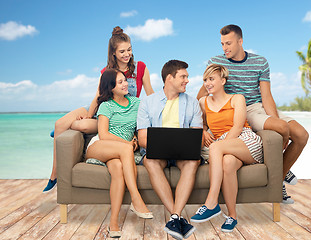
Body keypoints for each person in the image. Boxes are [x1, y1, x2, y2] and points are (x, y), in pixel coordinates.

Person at [197, 24, 309, 204]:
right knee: (281, 127)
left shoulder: (260, 62)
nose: (225, 48)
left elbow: (266, 96)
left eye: (228, 43)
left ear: (240, 41)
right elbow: (202, 97)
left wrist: (275, 119)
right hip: (238, 109)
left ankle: (279, 173)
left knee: (302, 135)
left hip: (258, 107)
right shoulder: (216, 62)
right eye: (222, 44)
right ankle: (278, 176)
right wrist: (203, 126)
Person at [43, 26, 154, 192]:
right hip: (104, 107)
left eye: (129, 50)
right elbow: (98, 96)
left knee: (81, 126)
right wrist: (89, 115)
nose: (126, 54)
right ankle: (54, 174)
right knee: (59, 124)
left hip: (123, 114)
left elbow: (150, 94)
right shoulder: (106, 71)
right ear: (113, 53)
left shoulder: (141, 68)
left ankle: (70, 126)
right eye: (122, 51)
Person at [190, 64, 263, 232]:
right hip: (224, 147)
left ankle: (211, 202)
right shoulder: (203, 102)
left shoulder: (237, 98)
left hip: (244, 139)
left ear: (223, 81)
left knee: (216, 148)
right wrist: (203, 131)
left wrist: (222, 146)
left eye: (211, 79)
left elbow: (237, 127)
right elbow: (197, 123)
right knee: (228, 163)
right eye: (205, 80)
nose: (207, 83)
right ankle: (232, 216)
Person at [137, 60, 203, 240]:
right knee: (150, 160)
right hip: (156, 152)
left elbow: (197, 136)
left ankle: (174, 217)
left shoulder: (192, 103)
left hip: (184, 153)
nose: (187, 80)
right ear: (169, 78)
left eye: (187, 77)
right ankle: (178, 217)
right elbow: (143, 139)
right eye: (183, 76)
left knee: (193, 161)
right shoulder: (147, 103)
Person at [86, 68, 153, 238]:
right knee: (124, 150)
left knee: (117, 169)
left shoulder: (137, 103)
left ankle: (113, 222)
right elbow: (104, 134)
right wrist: (128, 144)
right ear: (111, 87)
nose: (126, 84)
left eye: (125, 80)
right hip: (101, 146)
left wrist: (137, 140)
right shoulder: (106, 106)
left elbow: (142, 125)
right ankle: (136, 199)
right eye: (120, 82)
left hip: (119, 152)